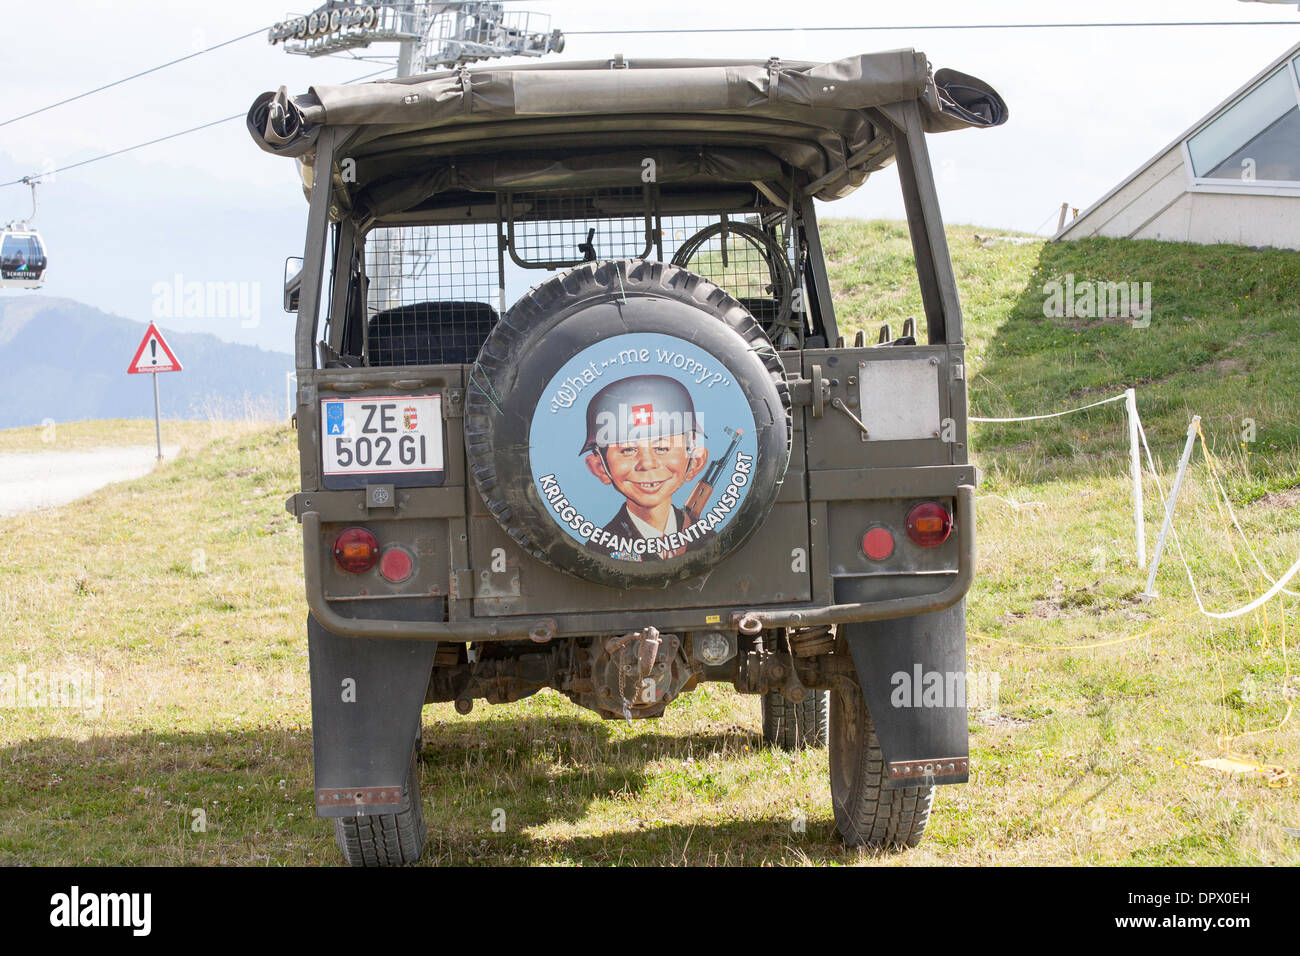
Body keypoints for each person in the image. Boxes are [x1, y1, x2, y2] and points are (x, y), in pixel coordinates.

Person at [580, 374, 711, 561]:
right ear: (599, 467)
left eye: (662, 447)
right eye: (628, 450)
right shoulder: (598, 552)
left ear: (696, 461)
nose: (647, 463)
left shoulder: (707, 538)